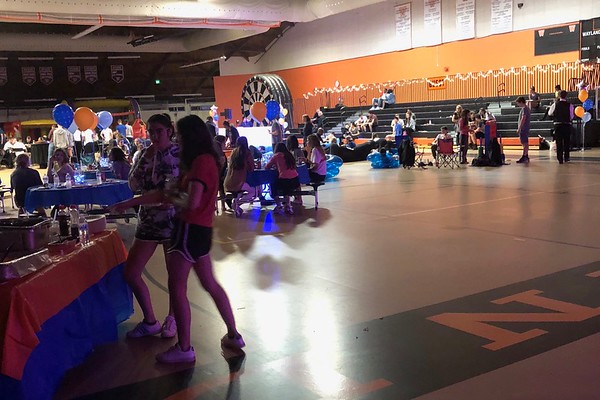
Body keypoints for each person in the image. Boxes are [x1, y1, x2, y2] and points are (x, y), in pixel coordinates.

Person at [112, 115, 244, 363]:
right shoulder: (203, 161)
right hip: (201, 231)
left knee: (177, 288)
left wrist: (173, 197)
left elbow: (191, 201)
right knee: (210, 284)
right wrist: (133, 202)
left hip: (187, 230)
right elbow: (164, 192)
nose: (178, 141)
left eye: (181, 136)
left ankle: (184, 348)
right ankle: (234, 335)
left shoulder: (199, 163)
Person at [118, 113, 180, 340]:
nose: (154, 136)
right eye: (151, 131)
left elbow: (170, 192)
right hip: (148, 221)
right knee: (132, 272)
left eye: (159, 131)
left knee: (174, 274)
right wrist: (145, 158)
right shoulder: (144, 154)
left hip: (173, 220)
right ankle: (150, 320)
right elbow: (133, 184)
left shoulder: (178, 154)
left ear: (169, 131)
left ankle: (173, 318)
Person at [266, 142, 299, 215]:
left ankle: (278, 205)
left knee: (273, 184)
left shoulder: (276, 156)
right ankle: (287, 205)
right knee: (286, 189)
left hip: (285, 180)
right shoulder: (289, 155)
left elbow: (267, 166)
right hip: (295, 180)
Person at [224, 136, 255, 207]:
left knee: (241, 190)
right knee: (253, 192)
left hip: (228, 181)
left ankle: (235, 201)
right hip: (240, 182)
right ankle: (237, 203)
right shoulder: (247, 153)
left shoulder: (233, 152)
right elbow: (251, 168)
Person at [548, 90, 574, 164]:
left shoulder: (555, 104)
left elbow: (550, 113)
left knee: (559, 142)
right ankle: (566, 157)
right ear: (566, 96)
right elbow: (571, 116)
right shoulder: (570, 105)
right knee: (567, 141)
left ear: (559, 96)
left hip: (558, 125)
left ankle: (560, 159)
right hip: (566, 124)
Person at [515, 96, 531, 163]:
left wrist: (519, 128)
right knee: (525, 143)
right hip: (526, 128)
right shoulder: (527, 108)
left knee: (524, 143)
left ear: (521, 102)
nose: (518, 105)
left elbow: (523, 119)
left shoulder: (524, 109)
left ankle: (524, 156)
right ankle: (526, 155)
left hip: (523, 128)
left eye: (518, 103)